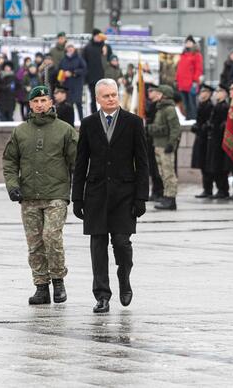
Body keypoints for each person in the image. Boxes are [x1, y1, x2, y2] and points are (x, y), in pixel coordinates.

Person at [72, 78, 149, 314]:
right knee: (98, 245)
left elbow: (143, 163)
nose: (112, 99)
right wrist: (77, 197)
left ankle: (124, 278)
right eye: (106, 96)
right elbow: (81, 162)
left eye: (114, 94)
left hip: (124, 194)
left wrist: (141, 197)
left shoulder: (133, 122)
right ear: (97, 99)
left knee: (122, 244)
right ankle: (102, 295)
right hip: (96, 193)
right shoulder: (88, 124)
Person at [3, 85, 78, 305]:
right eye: (36, 101)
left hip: (56, 193)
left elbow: (78, 160)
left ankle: (58, 280)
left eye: (44, 100)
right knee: (35, 243)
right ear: (30, 105)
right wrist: (12, 184)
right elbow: (9, 160)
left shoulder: (64, 130)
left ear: (51, 103)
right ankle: (41, 286)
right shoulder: (20, 131)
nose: (40, 105)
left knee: (51, 236)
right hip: (29, 195)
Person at [147, 84, 181, 210]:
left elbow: (175, 129)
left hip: (165, 146)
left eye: (159, 93)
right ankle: (167, 196)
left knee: (168, 173)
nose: (156, 94)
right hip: (158, 145)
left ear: (164, 95)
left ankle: (171, 199)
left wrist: (171, 144)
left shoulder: (169, 109)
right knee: (162, 173)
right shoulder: (161, 109)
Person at [205, 84, 231, 199]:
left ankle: (223, 189)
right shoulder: (217, 106)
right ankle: (220, 189)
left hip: (219, 141)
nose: (217, 93)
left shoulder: (224, 106)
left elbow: (223, 124)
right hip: (214, 140)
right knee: (214, 166)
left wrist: (217, 126)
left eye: (219, 91)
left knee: (219, 166)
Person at [82, 29, 112, 116]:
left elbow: (111, 60)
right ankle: (95, 115)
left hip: (104, 77)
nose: (99, 38)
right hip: (92, 78)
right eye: (97, 36)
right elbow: (84, 63)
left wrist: (106, 53)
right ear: (94, 36)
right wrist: (86, 77)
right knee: (93, 98)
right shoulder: (87, 48)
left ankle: (107, 113)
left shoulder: (106, 47)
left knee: (106, 97)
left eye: (100, 36)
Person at [192, 84, 215, 198]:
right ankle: (206, 188)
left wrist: (202, 127)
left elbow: (209, 122)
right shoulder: (201, 105)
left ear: (209, 94)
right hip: (201, 138)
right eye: (201, 92)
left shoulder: (210, 106)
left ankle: (208, 189)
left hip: (207, 140)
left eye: (204, 92)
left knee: (206, 165)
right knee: (202, 165)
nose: (201, 94)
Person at [176, 35, 204, 120]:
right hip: (182, 84)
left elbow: (198, 68)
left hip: (191, 83)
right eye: (186, 42)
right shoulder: (183, 55)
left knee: (192, 102)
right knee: (185, 103)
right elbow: (179, 69)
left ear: (193, 44)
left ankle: (194, 118)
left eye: (189, 42)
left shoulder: (196, 55)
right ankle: (188, 117)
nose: (187, 44)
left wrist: (195, 80)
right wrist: (177, 79)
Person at [61, 43, 87, 120]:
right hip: (67, 85)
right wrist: (62, 75)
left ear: (74, 48)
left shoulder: (79, 58)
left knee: (79, 104)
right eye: (68, 47)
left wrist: (73, 73)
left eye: (71, 47)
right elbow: (60, 69)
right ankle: (70, 123)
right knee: (69, 105)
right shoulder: (64, 59)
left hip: (77, 84)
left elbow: (84, 70)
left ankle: (82, 122)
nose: (70, 48)